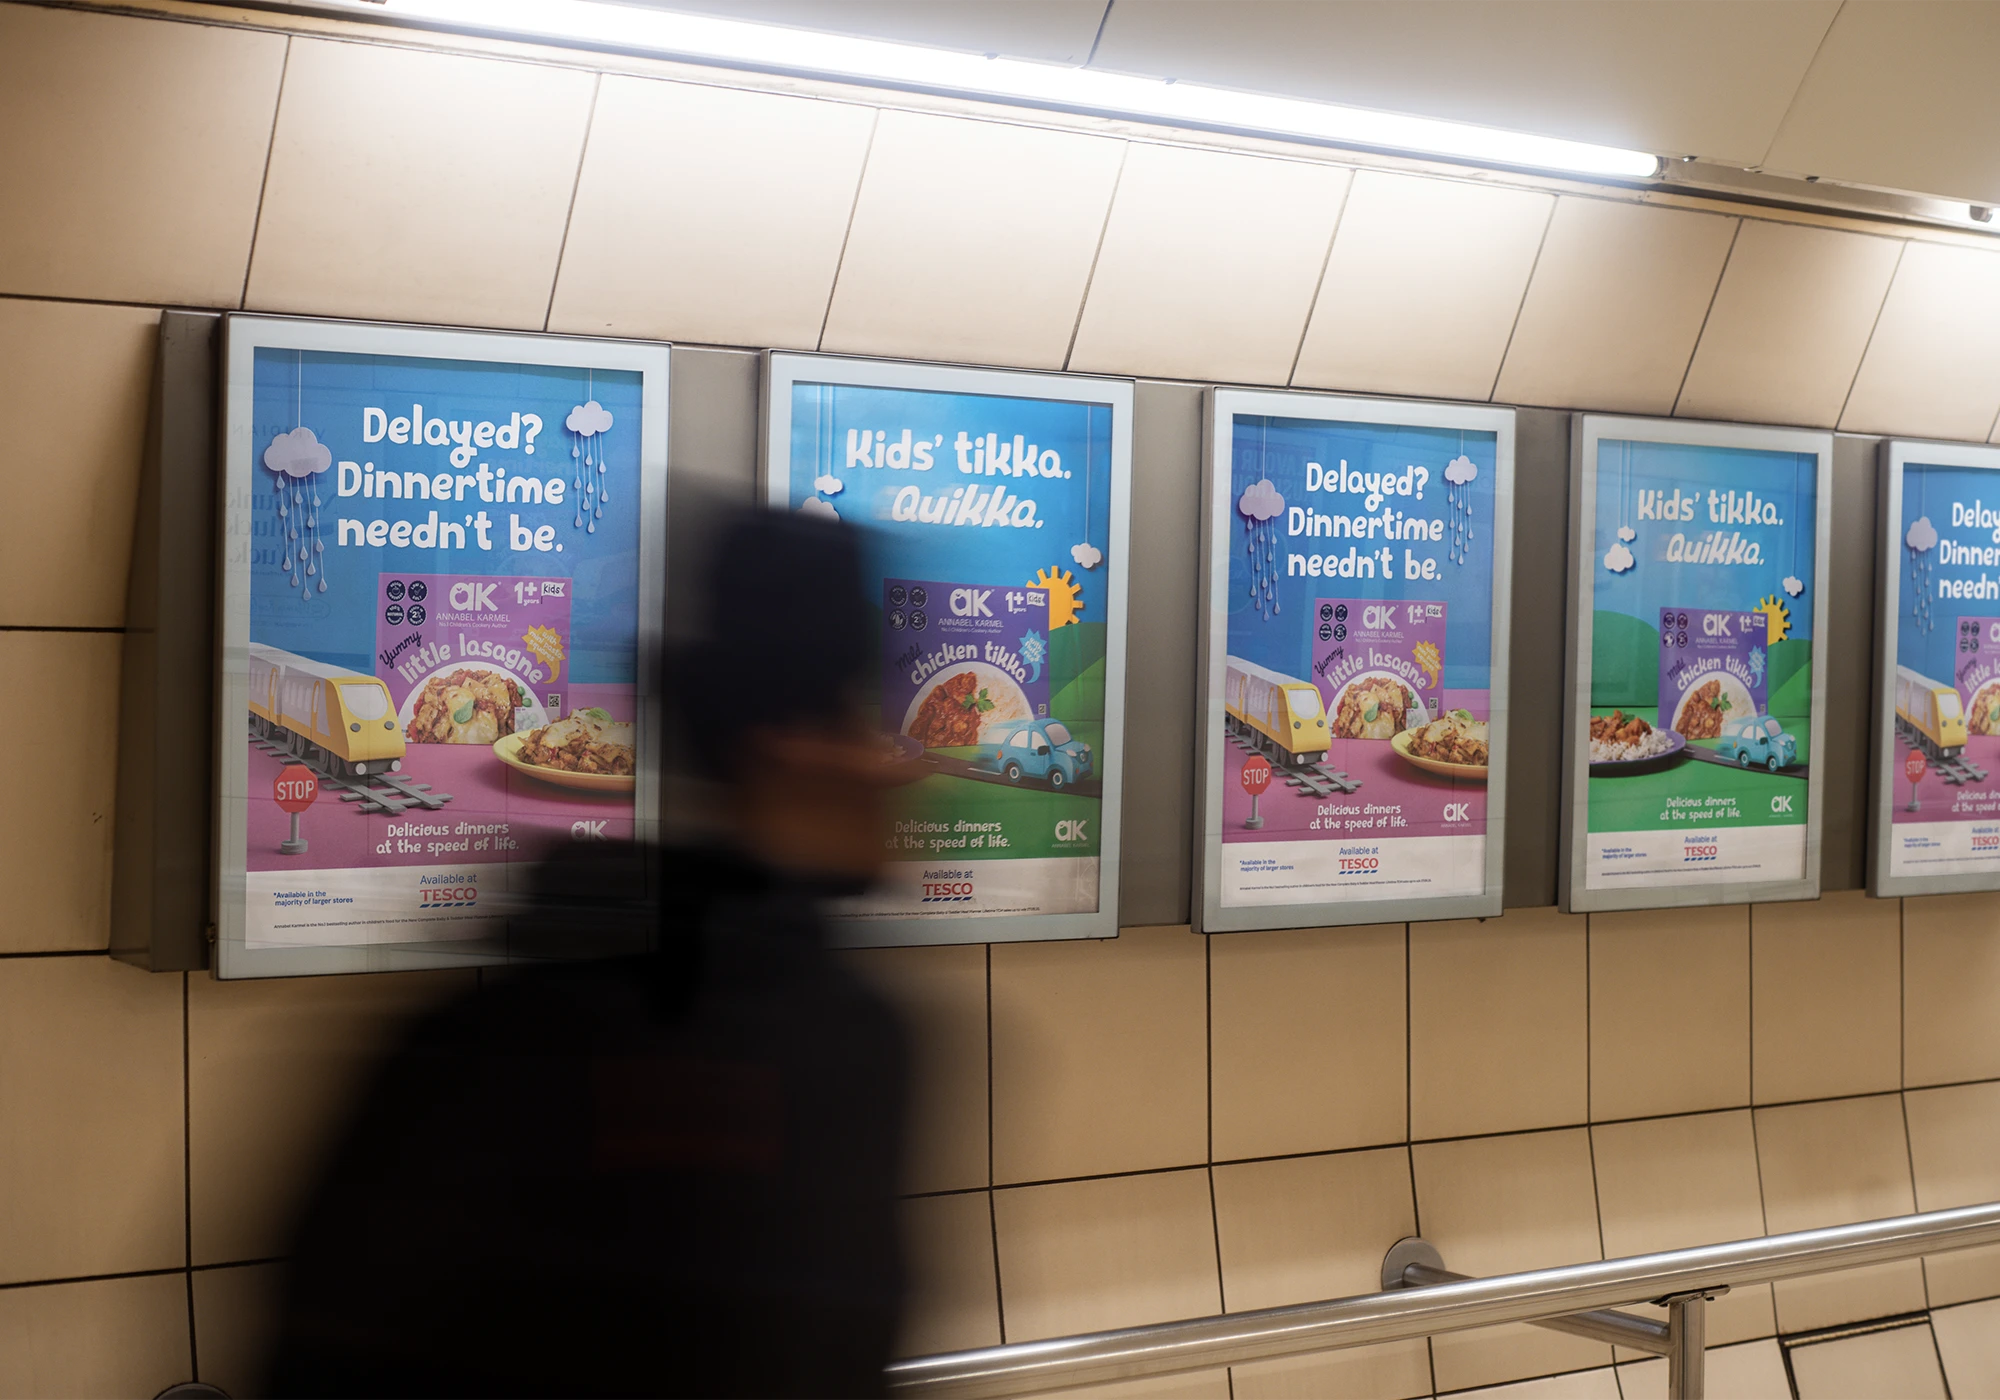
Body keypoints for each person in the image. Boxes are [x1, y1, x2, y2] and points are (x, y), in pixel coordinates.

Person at [267, 508, 912, 1399]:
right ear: (788, 746)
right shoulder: (832, 1044)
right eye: (861, 721)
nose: (895, 764)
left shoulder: (476, 1037)